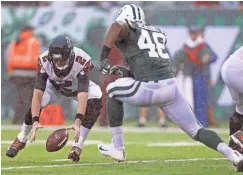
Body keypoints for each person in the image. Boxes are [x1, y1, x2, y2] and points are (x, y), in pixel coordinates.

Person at [98, 4, 243, 171]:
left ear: (126, 18)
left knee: (112, 90)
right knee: (197, 130)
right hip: (171, 88)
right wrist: (129, 72)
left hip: (152, 88)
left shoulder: (125, 26)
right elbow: (151, 63)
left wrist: (103, 58)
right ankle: (233, 154)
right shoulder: (156, 32)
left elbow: (117, 26)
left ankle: (118, 147)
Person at [5, 35, 103, 162]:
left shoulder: (81, 59)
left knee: (96, 96)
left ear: (70, 55)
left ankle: (77, 146)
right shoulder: (44, 60)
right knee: (39, 101)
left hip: (76, 89)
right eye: (56, 60)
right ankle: (21, 137)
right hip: (55, 87)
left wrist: (77, 121)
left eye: (62, 60)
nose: (59, 63)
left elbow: (83, 93)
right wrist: (35, 121)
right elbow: (37, 93)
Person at [7, 25, 40, 124]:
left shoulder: (14, 42)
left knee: (20, 97)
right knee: (27, 98)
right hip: (29, 74)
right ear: (30, 31)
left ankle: (17, 119)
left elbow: (10, 59)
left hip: (16, 74)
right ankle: (24, 120)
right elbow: (35, 60)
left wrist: (10, 72)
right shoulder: (33, 41)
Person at [221, 46, 243, 153]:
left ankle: (234, 150)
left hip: (230, 65)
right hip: (238, 68)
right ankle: (239, 138)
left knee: (240, 109)